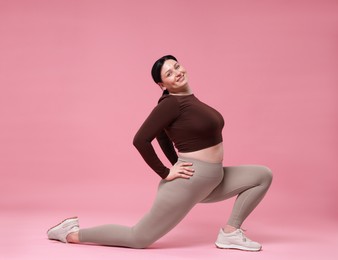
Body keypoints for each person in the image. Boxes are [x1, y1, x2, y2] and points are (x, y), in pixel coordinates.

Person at [47, 55, 273, 251]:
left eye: (177, 66)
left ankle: (230, 233)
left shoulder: (189, 100)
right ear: (161, 84)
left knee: (261, 176)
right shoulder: (170, 103)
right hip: (190, 183)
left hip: (213, 179)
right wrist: (166, 172)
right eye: (169, 73)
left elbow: (163, 136)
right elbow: (141, 140)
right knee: (138, 238)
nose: (177, 72)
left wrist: (175, 161)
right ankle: (70, 233)